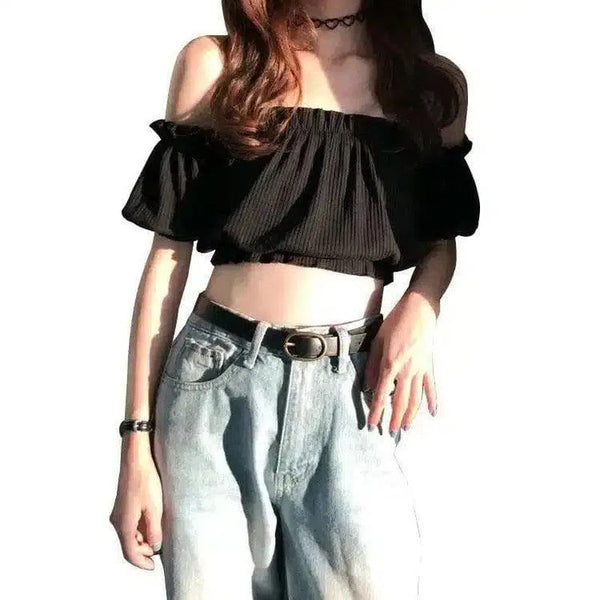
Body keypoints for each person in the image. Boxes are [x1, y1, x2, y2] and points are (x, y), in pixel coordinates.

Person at [109, 1, 480, 598]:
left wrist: (421, 304)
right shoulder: (220, 64)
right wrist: (136, 444)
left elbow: (442, 238)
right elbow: (166, 262)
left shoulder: (430, 87)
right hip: (214, 390)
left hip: (354, 397)